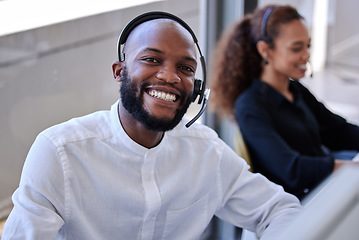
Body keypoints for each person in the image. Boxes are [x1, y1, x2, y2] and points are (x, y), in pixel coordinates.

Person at [2, 11, 301, 240]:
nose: (170, 76)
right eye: (151, 59)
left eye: (185, 68)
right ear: (120, 72)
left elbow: (280, 209)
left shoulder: (206, 151)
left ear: (196, 87)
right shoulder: (60, 152)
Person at [209, 4, 359, 200]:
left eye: (308, 46)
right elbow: (292, 171)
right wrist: (350, 168)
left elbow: (338, 131)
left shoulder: (295, 90)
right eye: (297, 48)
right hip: (298, 203)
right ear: (265, 50)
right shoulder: (250, 106)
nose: (306, 55)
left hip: (323, 186)